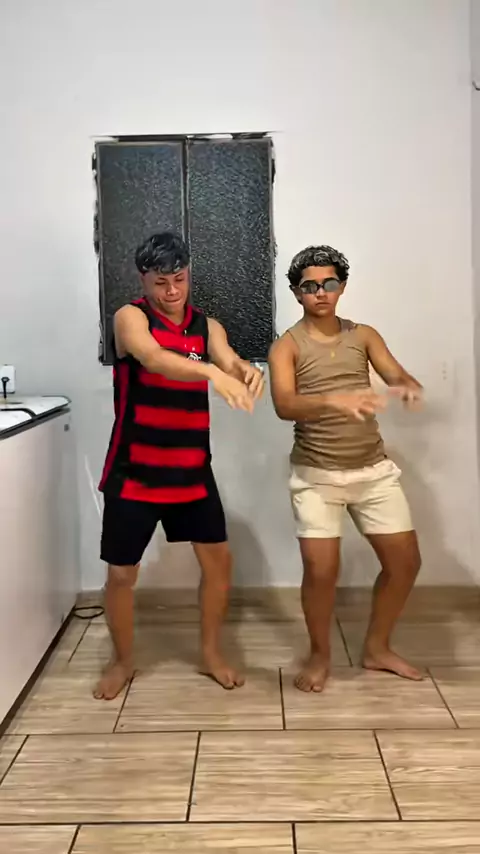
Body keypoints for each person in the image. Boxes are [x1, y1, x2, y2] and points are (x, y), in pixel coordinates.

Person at [95, 232, 264, 700]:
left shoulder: (205, 326)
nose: (172, 291)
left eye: (180, 280)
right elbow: (153, 358)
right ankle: (122, 660)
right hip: (135, 470)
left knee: (219, 563)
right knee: (122, 575)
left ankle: (210, 653)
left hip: (191, 470)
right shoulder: (130, 317)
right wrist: (208, 371)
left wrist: (245, 370)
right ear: (143, 279)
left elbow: (227, 359)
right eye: (161, 282)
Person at [269, 244, 423, 693]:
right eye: (310, 286)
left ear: (342, 287)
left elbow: (396, 375)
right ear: (297, 293)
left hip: (372, 471)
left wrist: (406, 386)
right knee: (321, 572)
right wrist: (336, 400)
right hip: (316, 477)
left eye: (329, 283)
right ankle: (320, 656)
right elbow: (284, 405)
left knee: (406, 564)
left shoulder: (364, 335)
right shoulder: (286, 347)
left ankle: (377, 648)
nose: (320, 292)